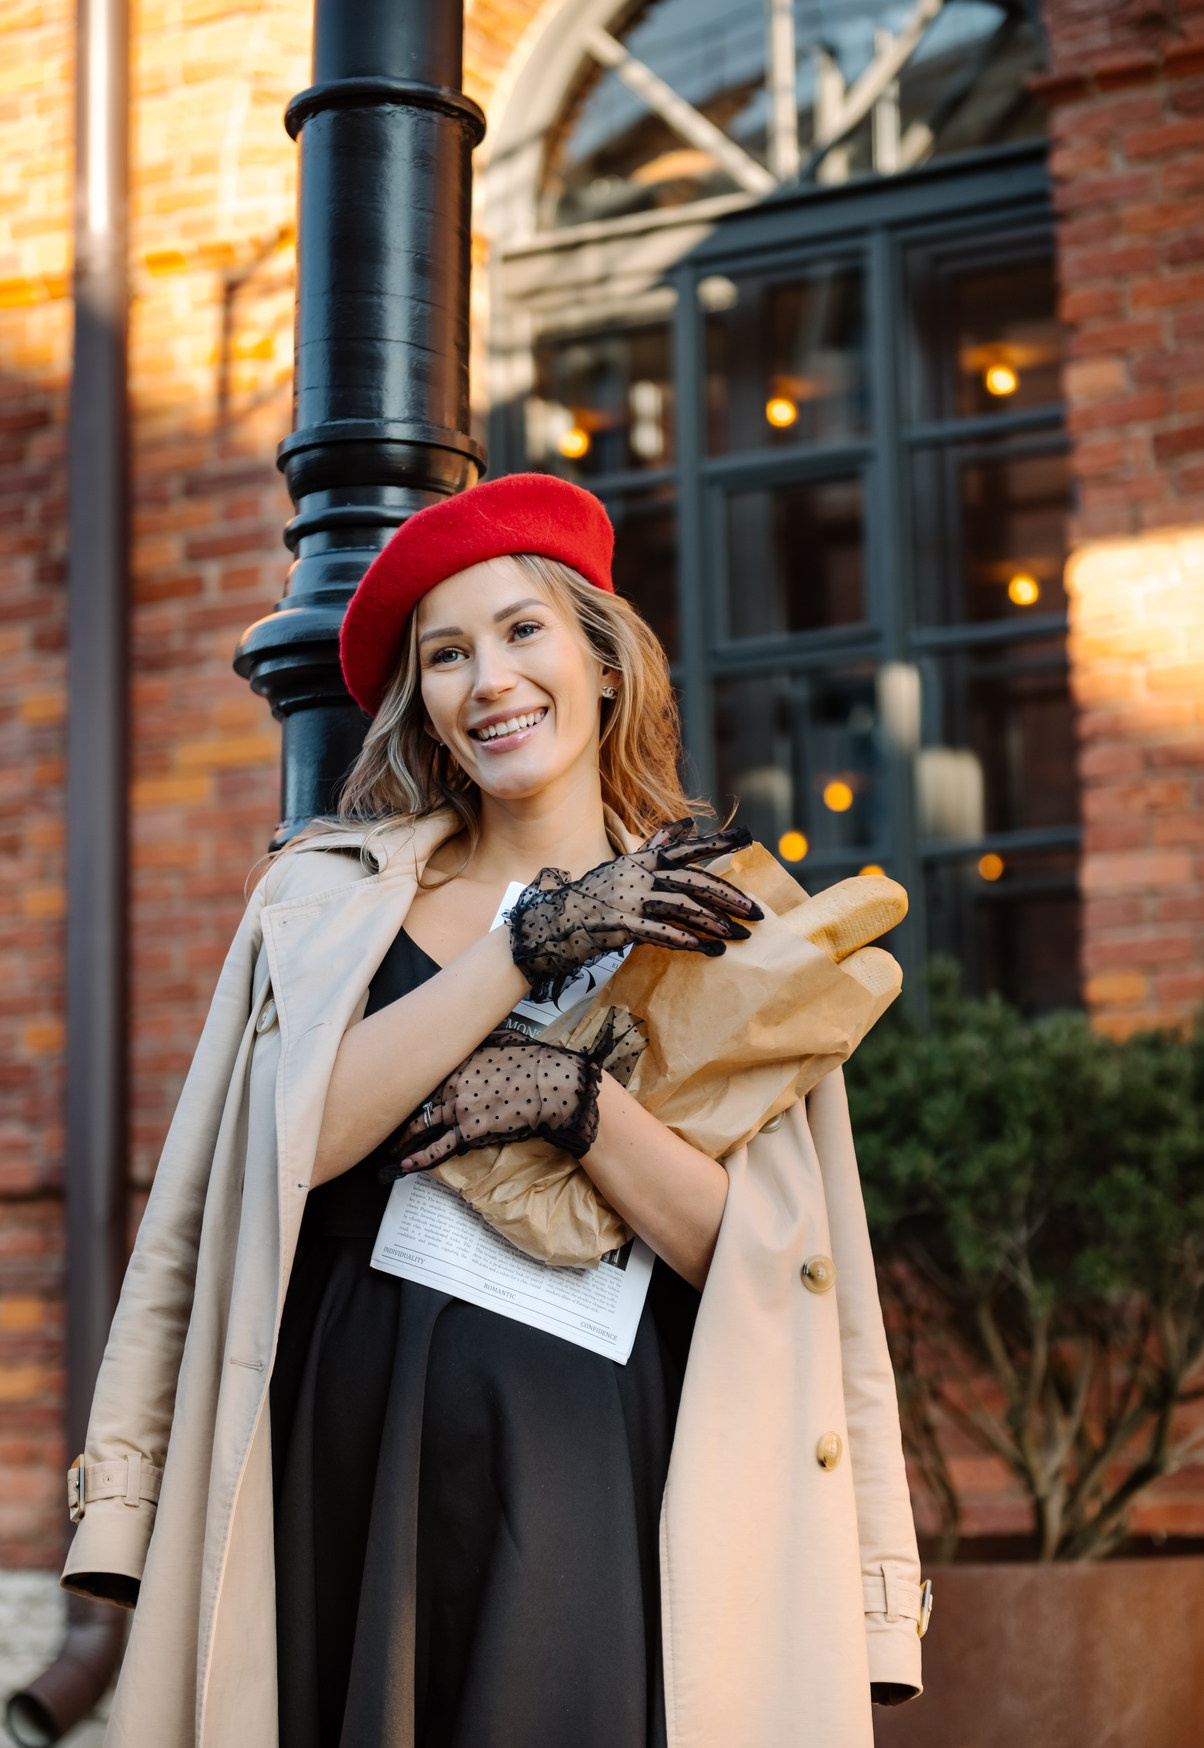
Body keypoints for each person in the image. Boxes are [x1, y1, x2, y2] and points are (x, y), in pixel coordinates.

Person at [61, 473, 925, 1748]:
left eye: (523, 630)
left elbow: (753, 1258)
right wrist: (528, 947)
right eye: (447, 655)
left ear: (603, 659)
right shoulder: (327, 900)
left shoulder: (730, 911)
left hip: (597, 1470)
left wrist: (574, 1099)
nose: (491, 680)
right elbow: (301, 1143)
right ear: (427, 706)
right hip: (353, 1465)